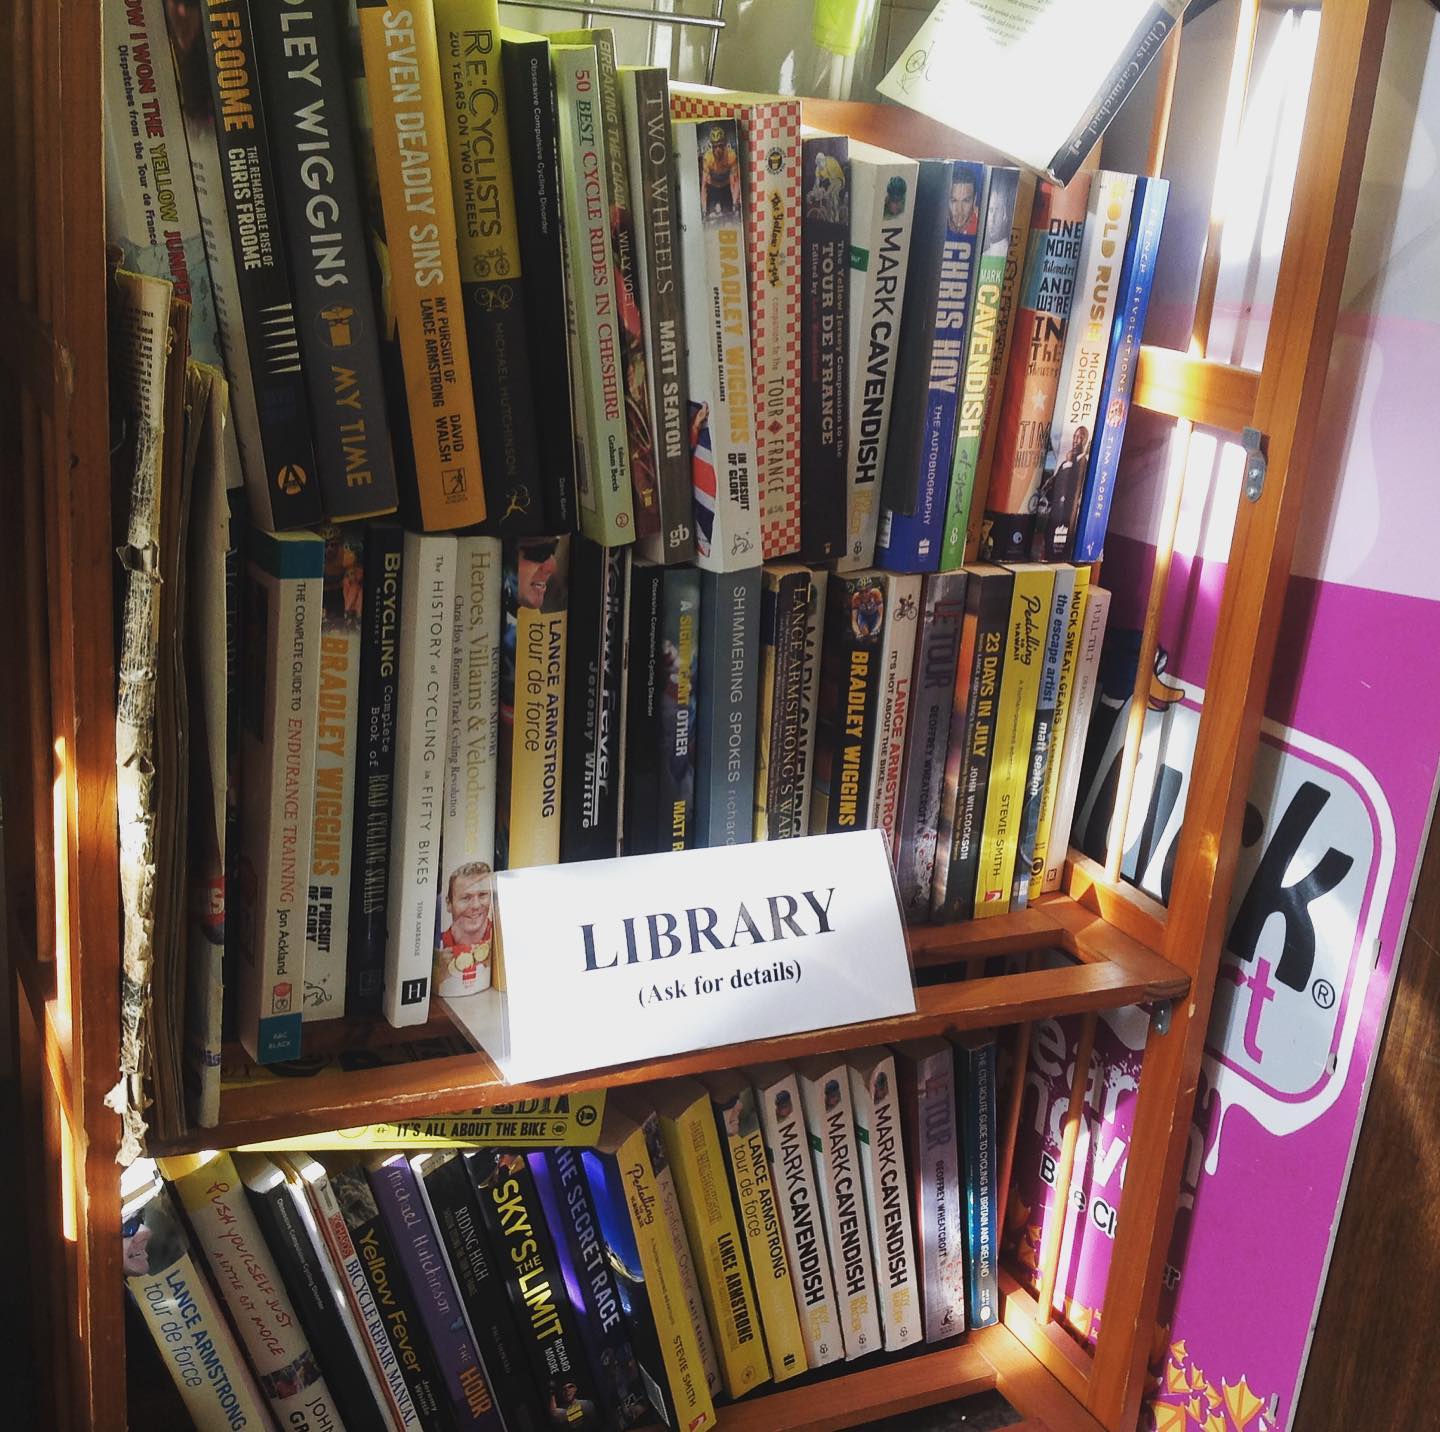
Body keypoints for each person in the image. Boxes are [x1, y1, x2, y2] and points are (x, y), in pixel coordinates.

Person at [435, 861, 494, 995]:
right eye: (466, 898)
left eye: (483, 895)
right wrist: (437, 977)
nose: (476, 905)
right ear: (449, 904)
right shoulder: (436, 946)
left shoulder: (500, 940)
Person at [701, 124, 739, 217]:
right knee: (711, 216)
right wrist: (704, 207)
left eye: (720, 146)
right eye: (715, 146)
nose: (717, 150)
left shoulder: (731, 156)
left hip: (726, 187)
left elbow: (735, 182)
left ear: (725, 145)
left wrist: (735, 202)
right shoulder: (708, 158)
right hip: (713, 188)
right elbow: (704, 185)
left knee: (728, 216)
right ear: (711, 147)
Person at [948, 171, 979, 236]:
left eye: (966, 201)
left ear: (974, 201)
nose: (959, 210)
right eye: (954, 201)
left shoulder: (981, 224)